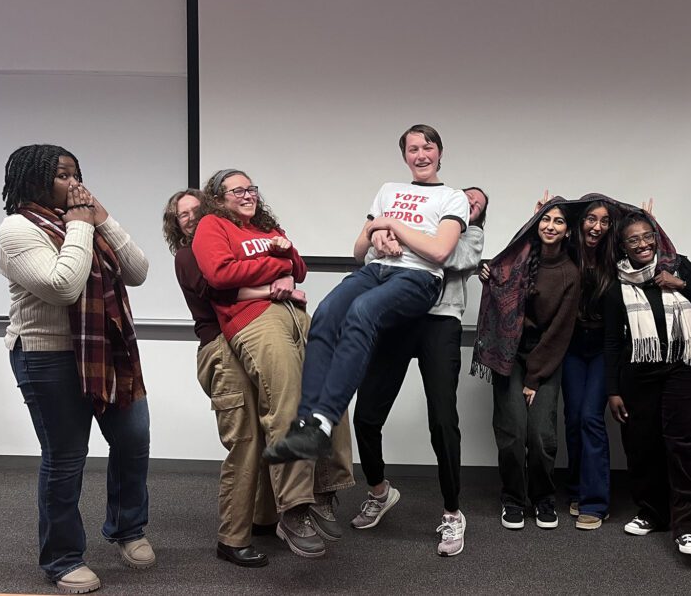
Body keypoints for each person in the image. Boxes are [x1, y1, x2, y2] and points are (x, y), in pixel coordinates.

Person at [0, 144, 153, 594]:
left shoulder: (85, 222)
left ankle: (127, 528)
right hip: (47, 356)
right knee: (65, 458)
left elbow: (138, 270)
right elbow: (64, 285)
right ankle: (62, 559)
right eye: (63, 175)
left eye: (76, 175)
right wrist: (81, 225)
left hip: (107, 350)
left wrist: (102, 218)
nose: (74, 184)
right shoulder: (16, 230)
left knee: (133, 439)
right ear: (35, 180)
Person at [264, 124, 468, 464]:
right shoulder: (388, 190)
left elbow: (439, 251)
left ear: (440, 153)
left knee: (362, 311)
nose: (421, 155)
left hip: (419, 278)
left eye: (428, 148)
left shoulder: (452, 197)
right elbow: (359, 251)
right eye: (413, 149)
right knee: (326, 313)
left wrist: (391, 224)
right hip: (376, 270)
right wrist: (375, 232)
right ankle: (306, 424)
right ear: (405, 156)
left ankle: (324, 422)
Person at [192, 170, 355, 560]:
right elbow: (220, 274)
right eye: (237, 190)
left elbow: (298, 268)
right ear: (217, 197)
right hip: (254, 320)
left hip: (296, 314)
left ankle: (324, 490)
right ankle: (294, 507)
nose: (248, 195)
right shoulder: (212, 226)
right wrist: (275, 262)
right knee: (287, 403)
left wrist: (284, 260)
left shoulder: (267, 226)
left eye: (251, 188)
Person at [351, 187, 488, 557]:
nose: (470, 204)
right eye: (466, 198)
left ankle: (453, 512)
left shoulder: (472, 236)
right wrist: (397, 238)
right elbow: (371, 256)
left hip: (440, 323)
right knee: (365, 415)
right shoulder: (428, 219)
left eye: (477, 205)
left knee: (443, 420)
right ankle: (379, 492)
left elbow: (448, 256)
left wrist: (401, 239)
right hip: (398, 318)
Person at [163, 188, 288, 567]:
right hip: (220, 348)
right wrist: (273, 286)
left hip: (245, 338)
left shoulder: (226, 247)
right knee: (245, 441)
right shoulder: (187, 256)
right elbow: (220, 291)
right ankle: (231, 540)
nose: (191, 217)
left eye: (196, 209)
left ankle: (263, 519)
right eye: (182, 215)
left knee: (267, 429)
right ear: (176, 225)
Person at [605, 210, 691, 556]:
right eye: (633, 240)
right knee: (643, 446)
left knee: (683, 447)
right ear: (623, 247)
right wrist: (613, 390)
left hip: (684, 369)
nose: (642, 244)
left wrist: (679, 284)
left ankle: (687, 528)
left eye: (647, 236)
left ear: (656, 238)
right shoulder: (616, 283)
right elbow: (612, 341)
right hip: (638, 374)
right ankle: (652, 514)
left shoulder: (678, 266)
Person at [473, 198, 581, 531]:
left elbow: (559, 332)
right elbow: (497, 275)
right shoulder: (518, 258)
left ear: (568, 231)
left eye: (558, 221)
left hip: (545, 358)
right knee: (512, 431)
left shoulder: (570, 273)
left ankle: (543, 498)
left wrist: (534, 378)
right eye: (545, 219)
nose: (550, 226)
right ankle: (513, 498)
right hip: (509, 354)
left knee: (541, 435)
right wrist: (486, 271)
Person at [561, 196, 623, 530]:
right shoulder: (566, 251)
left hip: (603, 348)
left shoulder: (616, 257)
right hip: (571, 346)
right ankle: (576, 489)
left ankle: (596, 502)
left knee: (590, 417)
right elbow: (529, 254)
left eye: (604, 221)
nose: (597, 226)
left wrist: (650, 224)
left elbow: (654, 252)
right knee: (573, 419)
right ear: (580, 221)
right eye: (591, 219)